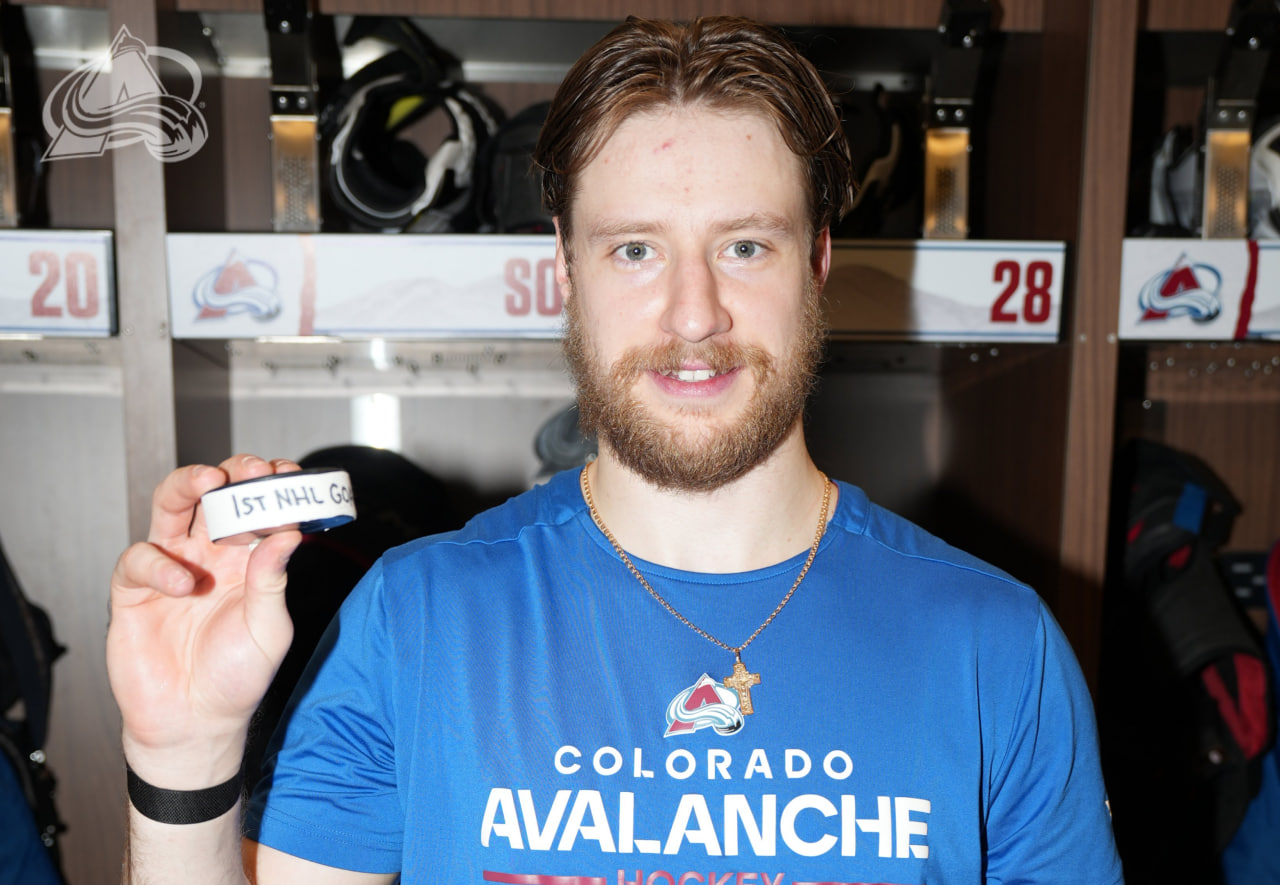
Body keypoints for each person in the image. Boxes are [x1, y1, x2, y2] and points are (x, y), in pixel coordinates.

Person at [106, 15, 1124, 884]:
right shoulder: (412, 619)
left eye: (744, 245)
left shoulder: (996, 647)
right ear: (565, 269)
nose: (693, 313)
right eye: (634, 249)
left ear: (817, 261)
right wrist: (182, 756)